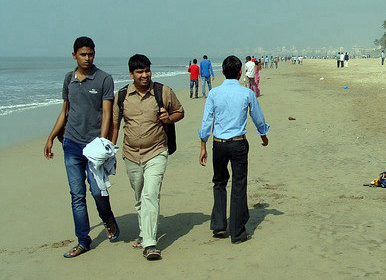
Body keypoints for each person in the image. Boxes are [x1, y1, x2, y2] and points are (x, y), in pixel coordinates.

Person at [43, 36, 118, 258]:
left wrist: (101, 144)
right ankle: (83, 241)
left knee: (97, 191)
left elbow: (106, 114)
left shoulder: (104, 79)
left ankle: (108, 219)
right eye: (83, 54)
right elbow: (65, 111)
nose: (87, 58)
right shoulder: (69, 79)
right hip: (72, 146)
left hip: (94, 147)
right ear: (74, 55)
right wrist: (50, 137)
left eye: (91, 54)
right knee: (77, 195)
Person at [111, 54, 185, 261]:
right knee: (139, 197)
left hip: (157, 151)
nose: (144, 75)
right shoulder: (122, 95)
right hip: (131, 154)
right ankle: (144, 233)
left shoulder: (163, 92)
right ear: (131, 74)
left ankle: (150, 243)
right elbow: (115, 124)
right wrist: (109, 150)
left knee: (150, 194)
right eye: (139, 72)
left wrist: (169, 118)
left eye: (147, 71)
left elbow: (180, 111)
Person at [198, 55, 270, 244]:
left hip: (219, 144)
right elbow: (258, 117)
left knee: (219, 182)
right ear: (240, 72)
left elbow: (207, 121)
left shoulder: (214, 93)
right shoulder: (247, 93)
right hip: (238, 144)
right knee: (238, 185)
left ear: (223, 72)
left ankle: (220, 225)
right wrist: (263, 135)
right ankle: (237, 232)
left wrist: (203, 144)